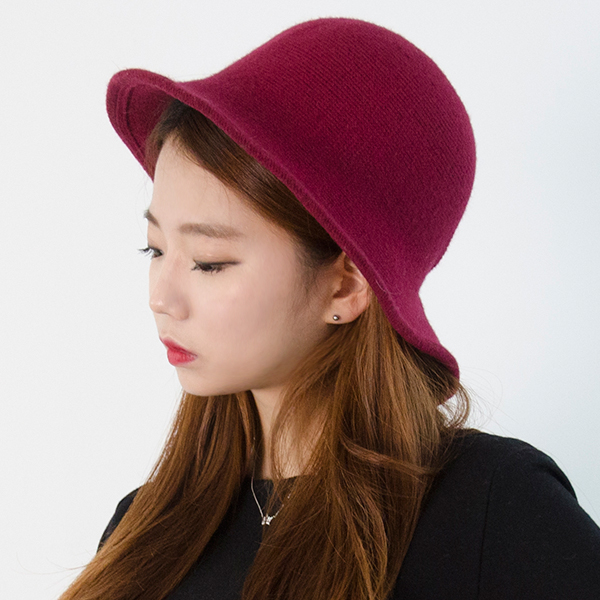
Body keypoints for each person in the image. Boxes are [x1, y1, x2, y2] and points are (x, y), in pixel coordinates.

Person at [59, 17, 600, 600]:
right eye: (155, 249)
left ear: (346, 286)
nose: (160, 297)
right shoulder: (142, 531)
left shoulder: (497, 511)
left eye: (209, 262)